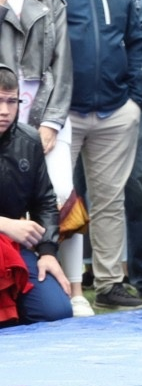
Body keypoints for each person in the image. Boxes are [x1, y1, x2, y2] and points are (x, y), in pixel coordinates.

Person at [31, 0, 142, 311]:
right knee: (58, 202)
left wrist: (134, 98)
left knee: (109, 200)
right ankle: (66, 288)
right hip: (59, 113)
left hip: (115, 108)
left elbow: (141, 40)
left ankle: (110, 283)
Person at [0, 0, 87, 317]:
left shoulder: (49, 0)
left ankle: (73, 283)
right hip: (5, 115)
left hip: (44, 111)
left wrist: (50, 123)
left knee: (62, 192)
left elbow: (62, 67)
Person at [0, 63, 70, 325]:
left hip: (15, 245)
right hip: (8, 232)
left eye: (11, 101)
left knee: (55, 311)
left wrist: (48, 251)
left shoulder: (29, 141)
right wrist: (4, 225)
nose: (5, 111)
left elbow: (45, 203)